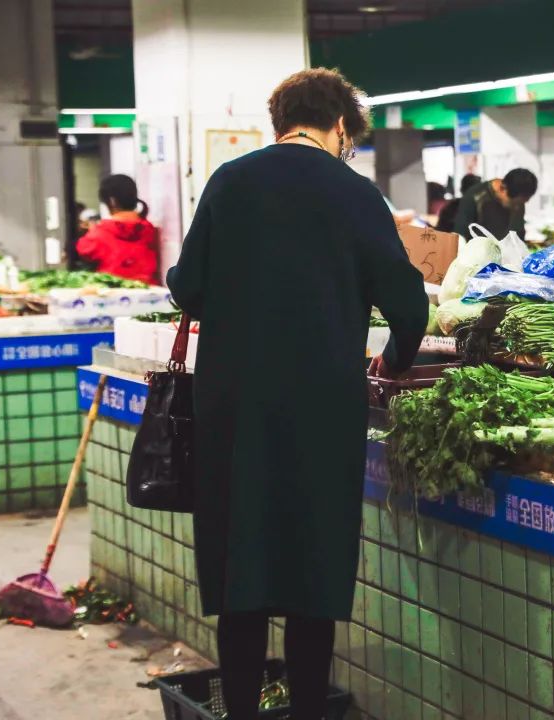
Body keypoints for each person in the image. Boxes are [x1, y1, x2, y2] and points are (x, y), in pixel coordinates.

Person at [166, 68, 428, 720]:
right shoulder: (355, 193)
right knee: (313, 574)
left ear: (279, 120)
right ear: (341, 126)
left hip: (235, 410)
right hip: (322, 412)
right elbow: (409, 306)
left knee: (240, 574)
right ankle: (309, 709)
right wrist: (392, 361)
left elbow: (187, 287)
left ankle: (244, 712)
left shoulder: (230, 181)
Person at [75, 175, 158, 284]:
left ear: (112, 201)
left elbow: (82, 250)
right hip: (149, 293)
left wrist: (91, 230)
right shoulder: (149, 230)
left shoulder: (99, 233)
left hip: (112, 295)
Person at [453, 168, 537, 239]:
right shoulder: (474, 197)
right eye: (514, 204)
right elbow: (460, 236)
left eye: (522, 203)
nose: (517, 208)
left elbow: (519, 234)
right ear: (502, 189)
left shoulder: (518, 198)